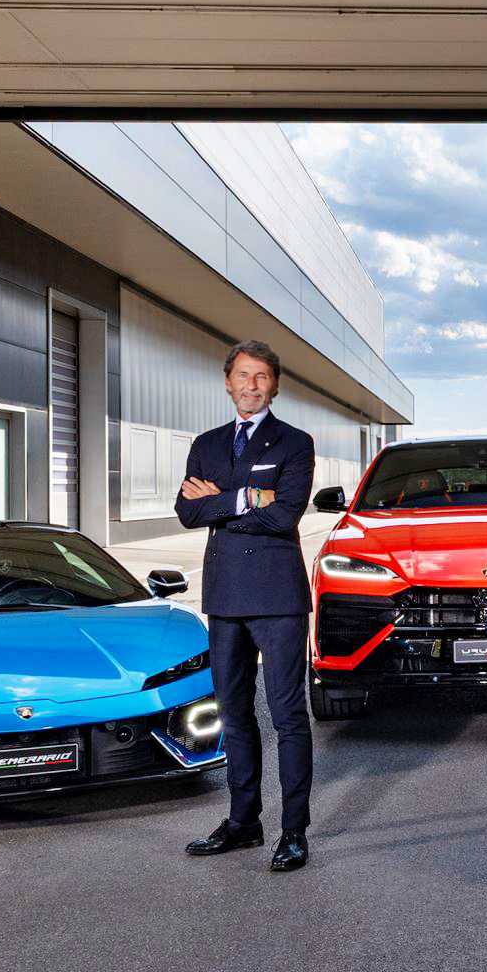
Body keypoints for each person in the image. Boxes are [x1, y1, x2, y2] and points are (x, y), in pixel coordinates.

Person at [174, 339, 316, 872]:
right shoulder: (207, 443)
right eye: (243, 376)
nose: (251, 385)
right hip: (225, 596)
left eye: (261, 377)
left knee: (286, 716)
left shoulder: (295, 443)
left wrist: (219, 502)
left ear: (274, 385)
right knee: (234, 716)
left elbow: (285, 518)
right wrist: (247, 497)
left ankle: (295, 831)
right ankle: (243, 822)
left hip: (277, 597)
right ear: (227, 382)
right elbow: (186, 511)